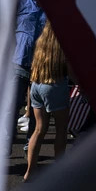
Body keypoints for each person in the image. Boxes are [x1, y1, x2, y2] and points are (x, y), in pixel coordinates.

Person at [24, 21, 71, 182]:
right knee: (61, 130)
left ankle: (29, 171)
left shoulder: (41, 42)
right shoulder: (62, 44)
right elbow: (70, 69)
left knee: (39, 129)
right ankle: (59, 171)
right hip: (55, 86)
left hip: (37, 85)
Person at [12, 0, 46, 136]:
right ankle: (6, 141)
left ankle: (30, 144)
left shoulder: (50, 8)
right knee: (14, 104)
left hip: (40, 64)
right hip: (19, 61)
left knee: (36, 108)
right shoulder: (20, 6)